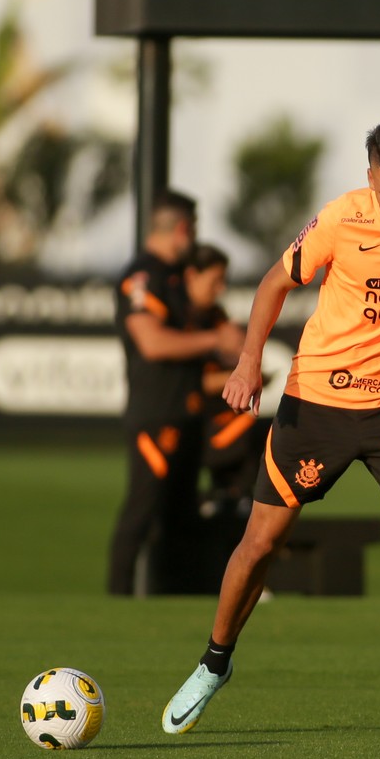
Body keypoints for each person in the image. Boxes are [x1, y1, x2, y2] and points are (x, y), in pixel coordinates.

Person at [161, 120, 380, 742]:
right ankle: (213, 663)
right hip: (317, 399)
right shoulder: (341, 218)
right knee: (260, 543)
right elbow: (274, 282)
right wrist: (246, 362)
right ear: (370, 178)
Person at [109, 190, 245, 595]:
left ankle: (173, 598)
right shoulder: (142, 276)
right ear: (182, 229)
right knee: (141, 511)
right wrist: (215, 340)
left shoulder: (175, 279)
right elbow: (152, 343)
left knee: (180, 516)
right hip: (155, 414)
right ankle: (114, 599)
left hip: (186, 413)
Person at [183, 243, 270, 592]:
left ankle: (235, 496)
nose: (220, 288)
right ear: (192, 276)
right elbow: (186, 382)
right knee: (259, 430)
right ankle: (234, 496)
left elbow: (236, 351)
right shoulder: (182, 318)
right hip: (197, 426)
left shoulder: (216, 316)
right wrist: (234, 377)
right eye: (215, 279)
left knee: (262, 427)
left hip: (223, 419)